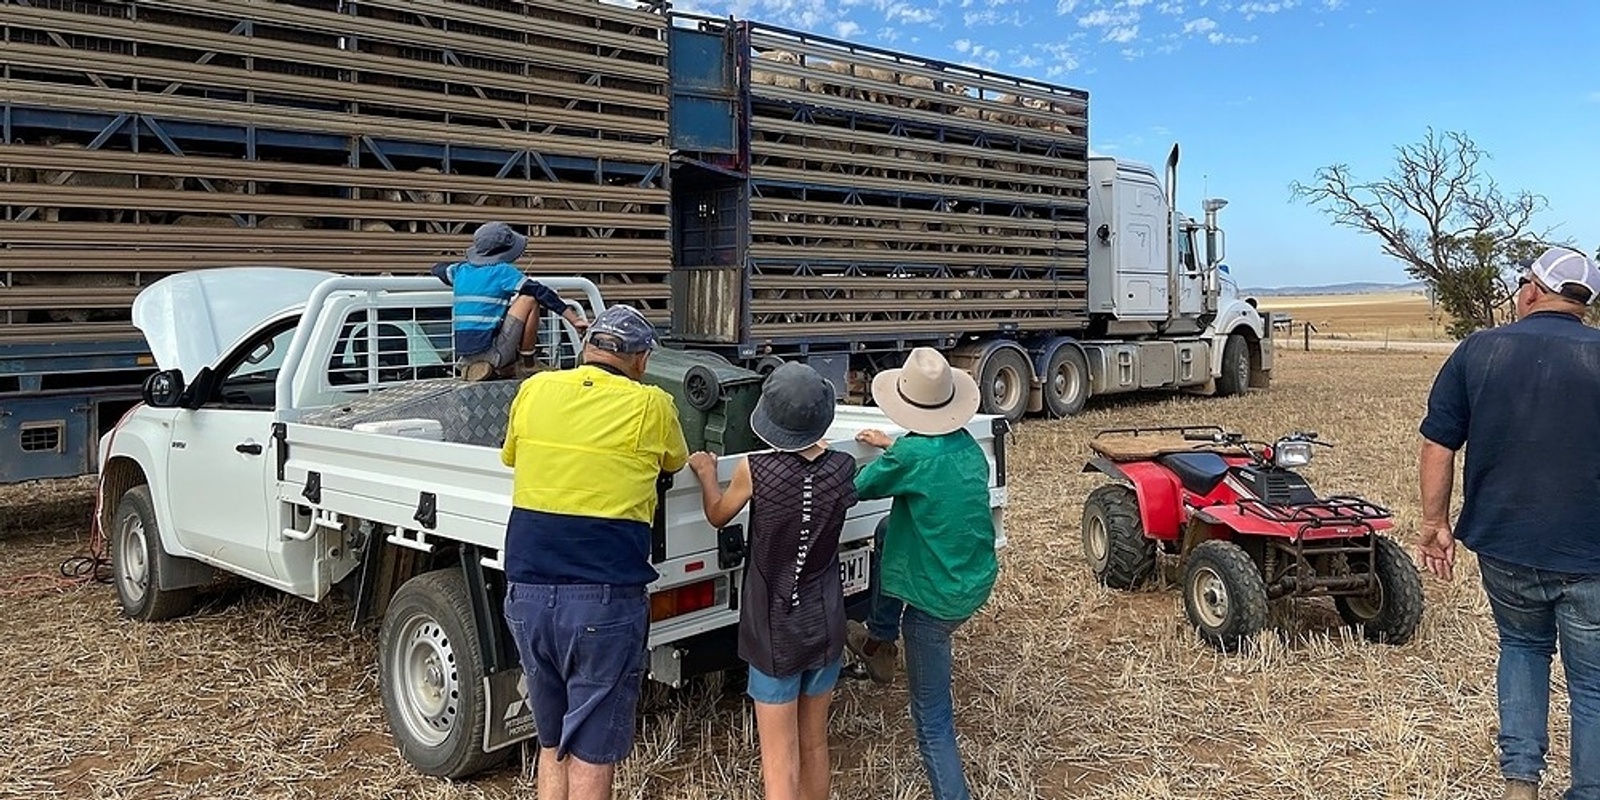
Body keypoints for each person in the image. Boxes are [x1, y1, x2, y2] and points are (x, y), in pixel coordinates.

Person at [1416, 246, 1600, 800]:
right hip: (1591, 553)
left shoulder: (1479, 349)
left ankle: (1521, 784)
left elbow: (1438, 443)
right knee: (1592, 682)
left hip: (1504, 545)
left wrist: (1434, 524)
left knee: (1522, 648)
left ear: (1531, 290)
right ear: (1583, 305)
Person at [498, 303, 688, 800]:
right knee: (591, 749)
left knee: (552, 739)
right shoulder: (652, 405)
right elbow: (675, 460)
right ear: (642, 360)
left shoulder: (534, 389)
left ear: (588, 349)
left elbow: (511, 454)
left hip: (527, 592)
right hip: (604, 599)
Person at [685, 362, 858, 800]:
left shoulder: (755, 470)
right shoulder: (842, 467)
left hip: (773, 628)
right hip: (825, 622)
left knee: (779, 761)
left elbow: (718, 515)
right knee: (815, 744)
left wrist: (707, 475)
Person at [844, 347, 997, 800]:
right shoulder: (966, 447)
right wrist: (895, 447)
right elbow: (927, 461)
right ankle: (879, 639)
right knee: (891, 529)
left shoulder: (910, 456)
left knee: (933, 720)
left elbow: (855, 488)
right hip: (975, 579)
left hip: (935, 606)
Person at [431, 221, 588, 381]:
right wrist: (574, 319)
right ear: (505, 251)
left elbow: (437, 269)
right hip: (493, 352)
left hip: (464, 355)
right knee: (529, 299)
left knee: (499, 313)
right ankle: (528, 363)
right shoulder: (502, 271)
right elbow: (540, 292)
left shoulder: (461, 270)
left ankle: (481, 367)